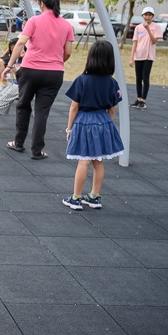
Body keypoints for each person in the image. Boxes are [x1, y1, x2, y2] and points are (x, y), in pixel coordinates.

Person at [2, 0, 75, 160]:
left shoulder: (34, 21)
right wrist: (57, 61)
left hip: (30, 70)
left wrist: (10, 65)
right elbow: (68, 52)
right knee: (42, 111)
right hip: (54, 73)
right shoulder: (67, 25)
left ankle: (18, 142)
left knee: (23, 105)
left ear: (42, 4)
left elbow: (20, 43)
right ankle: (37, 150)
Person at [61, 40, 124, 210]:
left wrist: (69, 128)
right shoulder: (112, 83)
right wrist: (108, 126)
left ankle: (76, 198)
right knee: (98, 161)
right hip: (103, 121)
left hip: (84, 122)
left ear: (91, 58)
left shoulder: (82, 80)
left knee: (83, 161)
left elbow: (74, 106)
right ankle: (94, 197)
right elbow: (112, 110)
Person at [129, 6, 161, 109]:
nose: (147, 17)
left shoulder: (156, 27)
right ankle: (138, 98)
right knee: (138, 78)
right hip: (139, 55)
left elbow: (154, 40)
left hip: (148, 56)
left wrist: (147, 29)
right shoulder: (138, 27)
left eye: (149, 15)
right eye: (146, 15)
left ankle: (143, 99)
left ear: (152, 16)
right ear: (142, 16)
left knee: (145, 77)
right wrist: (132, 57)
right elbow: (135, 42)